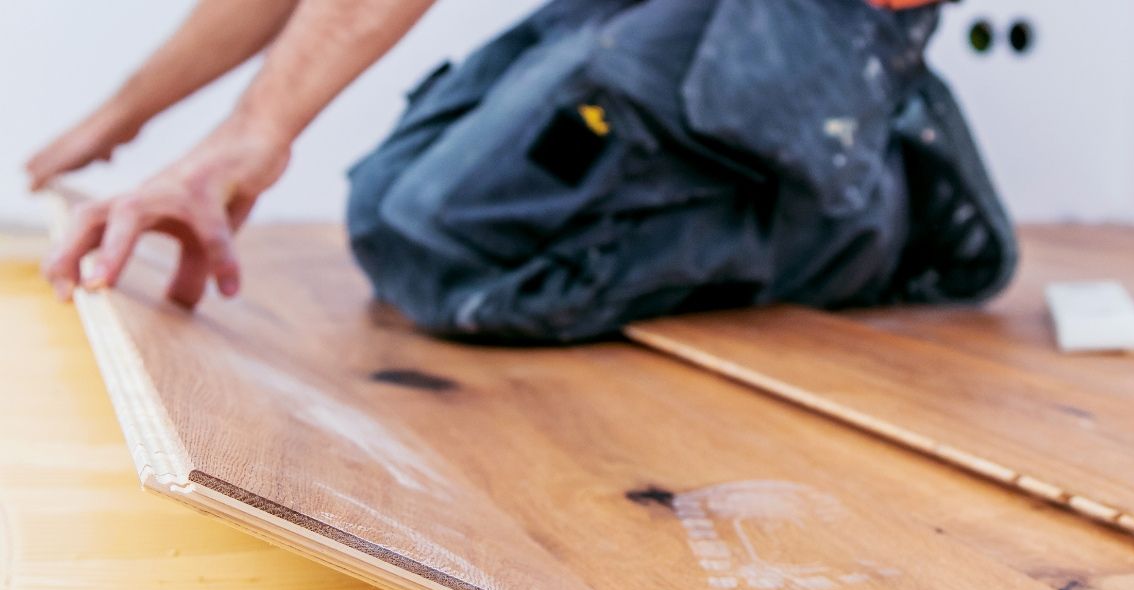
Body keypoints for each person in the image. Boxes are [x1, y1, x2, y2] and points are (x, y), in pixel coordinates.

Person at [30, 0, 1016, 342]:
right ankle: (812, 161)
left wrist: (256, 130)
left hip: (823, 13)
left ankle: (875, 207)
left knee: (439, 241)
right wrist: (127, 116)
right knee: (388, 205)